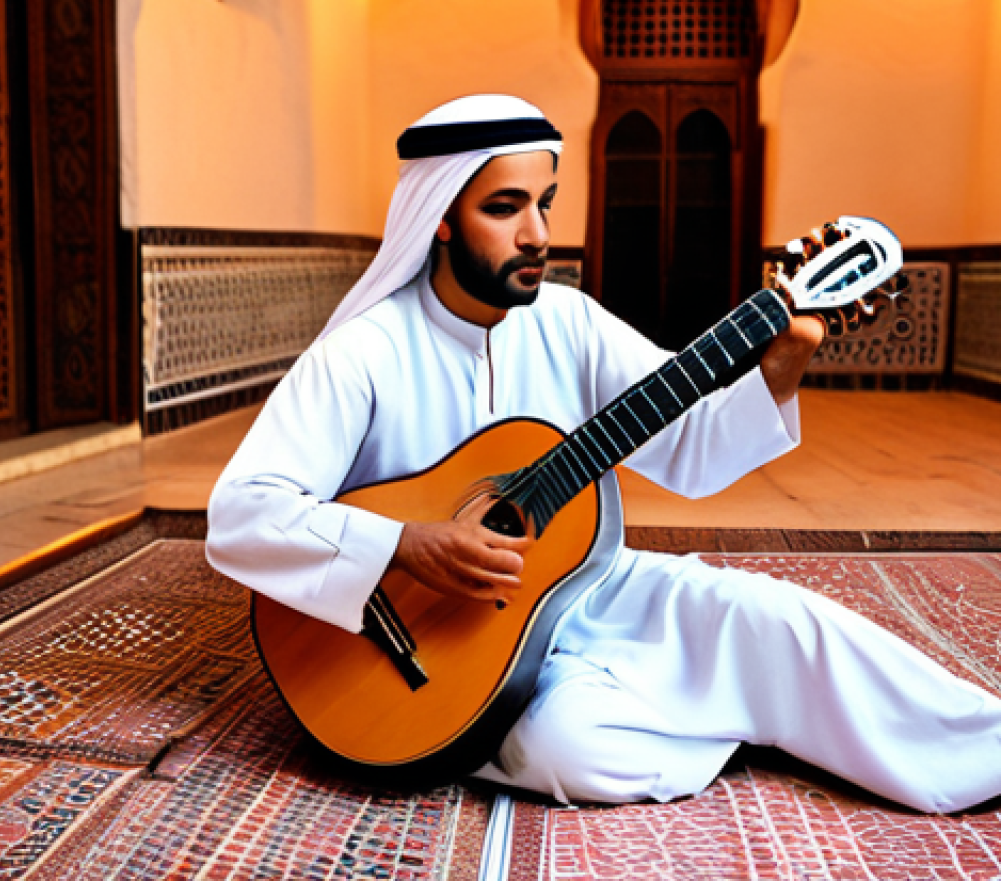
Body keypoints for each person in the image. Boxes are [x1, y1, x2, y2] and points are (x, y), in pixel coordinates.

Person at [207, 94, 1001, 813]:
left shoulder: (568, 322)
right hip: (429, 641)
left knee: (776, 615)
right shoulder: (364, 352)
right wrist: (405, 545)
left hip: (582, 583)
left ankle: (981, 752)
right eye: (505, 208)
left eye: (545, 204)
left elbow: (689, 449)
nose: (538, 235)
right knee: (582, 753)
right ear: (440, 217)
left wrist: (782, 367)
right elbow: (241, 513)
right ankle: (684, 707)